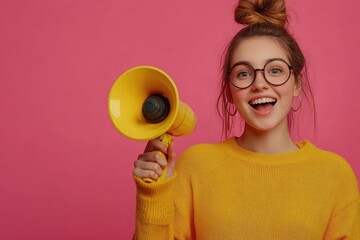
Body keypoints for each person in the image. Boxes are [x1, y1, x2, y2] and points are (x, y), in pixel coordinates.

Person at [132, 0, 360, 239]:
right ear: (229, 91)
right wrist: (154, 194)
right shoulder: (196, 166)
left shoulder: (334, 175)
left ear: (297, 85)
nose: (260, 84)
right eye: (244, 73)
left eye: (275, 70)